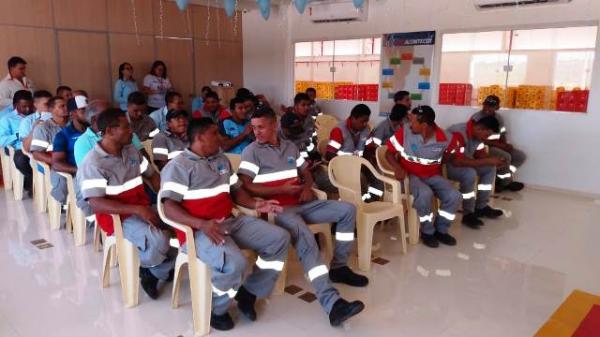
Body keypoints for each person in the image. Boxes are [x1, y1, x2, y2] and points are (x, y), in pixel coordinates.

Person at [238, 106, 366, 327]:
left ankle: (339, 267)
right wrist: (281, 192)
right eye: (254, 127)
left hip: (302, 203)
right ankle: (332, 303)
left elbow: (305, 172)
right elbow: (246, 186)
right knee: (306, 239)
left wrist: (307, 187)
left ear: (274, 125)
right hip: (278, 209)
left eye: (261, 127)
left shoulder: (289, 146)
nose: (256, 132)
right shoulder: (252, 151)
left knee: (347, 210)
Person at [161, 117, 290, 331]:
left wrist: (257, 205)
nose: (220, 139)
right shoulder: (179, 166)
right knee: (236, 265)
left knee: (280, 238)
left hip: (230, 221)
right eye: (215, 134)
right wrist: (202, 224)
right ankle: (216, 310)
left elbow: (237, 191)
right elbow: (169, 207)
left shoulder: (220, 159)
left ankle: (249, 292)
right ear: (200, 137)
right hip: (199, 231)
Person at [78, 108, 175, 299]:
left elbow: (153, 176)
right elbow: (96, 203)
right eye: (126, 127)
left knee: (181, 225)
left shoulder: (131, 150)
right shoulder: (94, 162)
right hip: (117, 217)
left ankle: (159, 267)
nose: (132, 130)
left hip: (143, 207)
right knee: (160, 240)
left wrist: (168, 200)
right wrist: (138, 210)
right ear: (109, 131)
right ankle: (149, 270)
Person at [385, 106, 462, 248]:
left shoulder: (445, 138)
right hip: (411, 176)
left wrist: (441, 162)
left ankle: (441, 230)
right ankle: (427, 231)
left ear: (424, 125)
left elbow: (452, 154)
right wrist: (398, 167)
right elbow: (388, 153)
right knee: (425, 194)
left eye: (413, 122)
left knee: (454, 196)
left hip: (433, 175)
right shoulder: (405, 132)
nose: (409, 124)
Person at [446, 117, 506, 229]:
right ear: (480, 129)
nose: (486, 138)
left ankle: (481, 207)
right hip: (447, 165)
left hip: (465, 162)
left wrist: (494, 160)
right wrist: (488, 160)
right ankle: (468, 213)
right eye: (487, 135)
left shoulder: (477, 135)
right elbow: (457, 161)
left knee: (489, 168)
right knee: (469, 173)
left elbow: (480, 154)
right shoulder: (457, 133)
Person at [326, 104, 383, 201]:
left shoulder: (366, 130)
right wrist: (345, 167)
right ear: (353, 118)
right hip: (342, 168)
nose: (365, 124)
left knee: (378, 177)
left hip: (359, 164)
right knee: (361, 179)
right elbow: (329, 154)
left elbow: (369, 149)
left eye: (367, 121)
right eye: (362, 121)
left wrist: (370, 161)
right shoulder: (339, 130)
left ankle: (371, 201)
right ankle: (358, 204)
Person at [471, 95, 526, 192]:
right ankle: (506, 183)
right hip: (483, 147)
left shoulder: (499, 118)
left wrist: (505, 145)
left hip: (496, 145)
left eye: (491, 106)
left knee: (520, 156)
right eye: (486, 105)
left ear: (497, 108)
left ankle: (500, 179)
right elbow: (478, 138)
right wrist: (500, 146)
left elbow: (502, 134)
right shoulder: (476, 118)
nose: (487, 108)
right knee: (506, 156)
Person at [74, 99, 146, 166]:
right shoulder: (82, 143)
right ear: (94, 120)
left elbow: (144, 159)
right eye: (107, 114)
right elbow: (89, 173)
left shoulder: (126, 133)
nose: (113, 116)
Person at [30, 96, 70, 205]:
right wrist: (57, 162)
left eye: (67, 105)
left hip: (74, 161)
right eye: (62, 106)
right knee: (62, 175)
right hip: (55, 164)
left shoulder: (73, 124)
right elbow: (37, 153)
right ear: (51, 109)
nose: (66, 108)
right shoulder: (43, 128)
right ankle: (62, 204)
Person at [0, 90, 34, 194]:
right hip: (20, 148)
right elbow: (1, 140)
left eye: (30, 106)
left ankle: (38, 183)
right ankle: (32, 183)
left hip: (37, 146)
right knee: (20, 159)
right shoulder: (7, 119)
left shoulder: (35, 115)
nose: (28, 109)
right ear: (15, 106)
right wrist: (17, 136)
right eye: (24, 106)